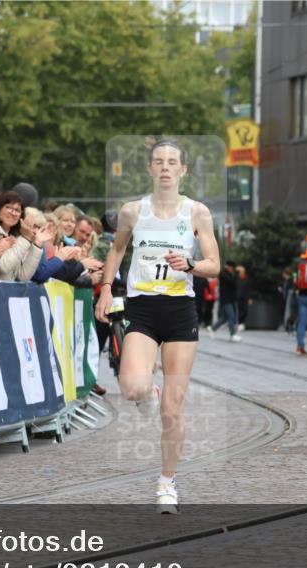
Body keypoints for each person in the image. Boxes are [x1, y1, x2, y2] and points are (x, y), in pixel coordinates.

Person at [94, 139, 220, 513]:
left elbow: (214, 263)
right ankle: (145, 391)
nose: (165, 167)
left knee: (172, 409)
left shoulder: (197, 213)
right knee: (131, 387)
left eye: (172, 162)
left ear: (182, 170)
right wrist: (104, 289)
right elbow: (117, 250)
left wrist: (192, 265)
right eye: (158, 162)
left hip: (180, 311)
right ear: (150, 169)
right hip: (143, 309)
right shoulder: (133, 211)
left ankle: (167, 481)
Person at [0, 190, 48, 282]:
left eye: (17, 210)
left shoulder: (17, 235)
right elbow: (3, 267)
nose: (13, 213)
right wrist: (25, 238)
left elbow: (23, 276)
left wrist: (36, 246)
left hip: (6, 294)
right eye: (8, 207)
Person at [207, 260, 242, 341]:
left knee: (224, 318)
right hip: (226, 300)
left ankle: (212, 329)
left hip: (230, 300)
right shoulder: (223, 274)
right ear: (229, 267)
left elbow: (235, 283)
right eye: (232, 268)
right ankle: (232, 335)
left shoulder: (229, 274)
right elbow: (233, 282)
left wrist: (235, 274)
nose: (232, 269)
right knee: (231, 317)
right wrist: (237, 273)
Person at [236, 264, 251, 331]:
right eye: (240, 271)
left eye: (243, 271)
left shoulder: (247, 278)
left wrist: (250, 298)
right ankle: (240, 323)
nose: (241, 272)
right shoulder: (236, 278)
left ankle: (242, 322)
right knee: (239, 311)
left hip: (245, 297)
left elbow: (249, 289)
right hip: (238, 297)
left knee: (245, 311)